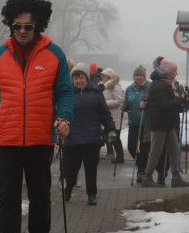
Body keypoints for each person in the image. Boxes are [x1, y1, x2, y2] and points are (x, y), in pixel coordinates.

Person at [0, 0, 73, 233]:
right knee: (8, 200)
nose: (21, 31)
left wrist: (64, 118)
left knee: (40, 198)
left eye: (28, 26)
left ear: (38, 26)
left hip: (39, 139)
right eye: (17, 26)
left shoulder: (53, 53)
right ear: (10, 25)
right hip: (6, 140)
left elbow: (65, 92)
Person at [62, 64, 117, 205]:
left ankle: (91, 194)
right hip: (72, 136)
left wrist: (110, 129)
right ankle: (68, 189)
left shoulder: (96, 93)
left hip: (92, 136)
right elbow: (61, 113)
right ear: (72, 79)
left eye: (81, 77)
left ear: (86, 77)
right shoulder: (67, 93)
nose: (78, 80)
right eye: (75, 77)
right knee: (71, 168)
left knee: (91, 168)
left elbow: (104, 113)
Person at [141, 59, 189, 188]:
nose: (176, 72)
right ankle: (147, 177)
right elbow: (163, 105)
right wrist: (180, 99)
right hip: (159, 123)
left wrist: (180, 99)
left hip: (168, 123)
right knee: (156, 151)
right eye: (174, 70)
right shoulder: (159, 85)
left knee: (174, 149)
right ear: (168, 71)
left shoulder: (168, 84)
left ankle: (176, 176)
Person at [122, 66, 151, 182]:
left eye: (140, 75)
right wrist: (124, 107)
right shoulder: (129, 89)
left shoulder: (149, 87)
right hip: (133, 122)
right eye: (136, 75)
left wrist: (147, 106)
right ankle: (143, 164)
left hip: (145, 123)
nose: (138, 77)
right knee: (131, 147)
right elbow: (127, 102)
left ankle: (141, 170)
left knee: (144, 148)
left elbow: (154, 102)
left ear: (144, 76)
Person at [100, 68, 124, 163]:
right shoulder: (103, 86)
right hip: (106, 116)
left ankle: (120, 156)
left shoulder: (115, 86)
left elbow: (119, 100)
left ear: (109, 77)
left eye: (104, 76)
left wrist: (104, 103)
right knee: (107, 136)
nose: (102, 77)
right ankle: (113, 154)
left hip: (113, 116)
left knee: (115, 138)